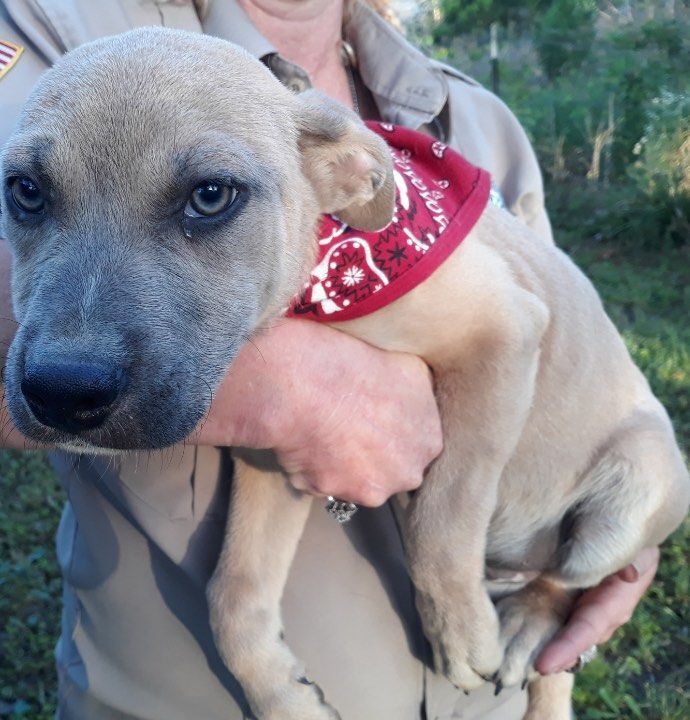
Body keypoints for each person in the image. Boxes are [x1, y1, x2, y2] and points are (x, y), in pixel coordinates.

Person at [0, 0, 660, 718]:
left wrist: (614, 554)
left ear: (352, 175)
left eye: (209, 195)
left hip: (491, 675)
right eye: (29, 192)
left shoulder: (474, 113)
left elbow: (557, 345)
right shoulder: (55, 29)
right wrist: (295, 392)